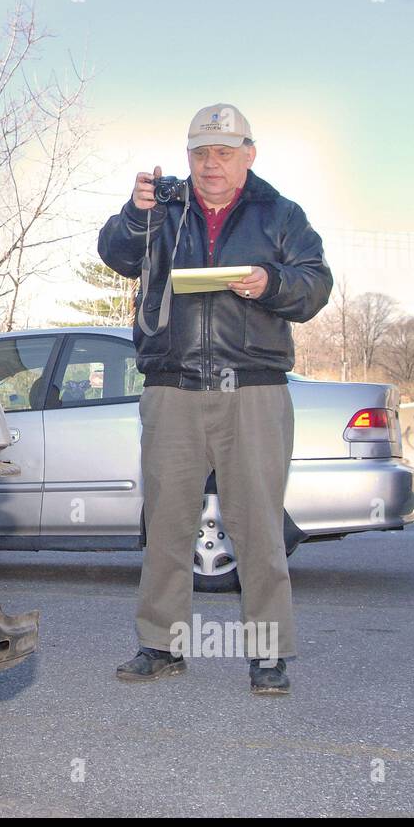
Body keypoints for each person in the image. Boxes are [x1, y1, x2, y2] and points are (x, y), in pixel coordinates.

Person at [96, 103, 332, 695]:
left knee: (258, 527)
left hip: (251, 388)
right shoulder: (163, 209)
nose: (211, 164)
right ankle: (160, 645)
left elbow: (315, 286)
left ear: (249, 155)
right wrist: (134, 213)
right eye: (200, 153)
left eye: (224, 152)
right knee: (168, 524)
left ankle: (269, 652)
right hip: (171, 387)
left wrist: (270, 283)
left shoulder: (281, 214)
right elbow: (115, 254)